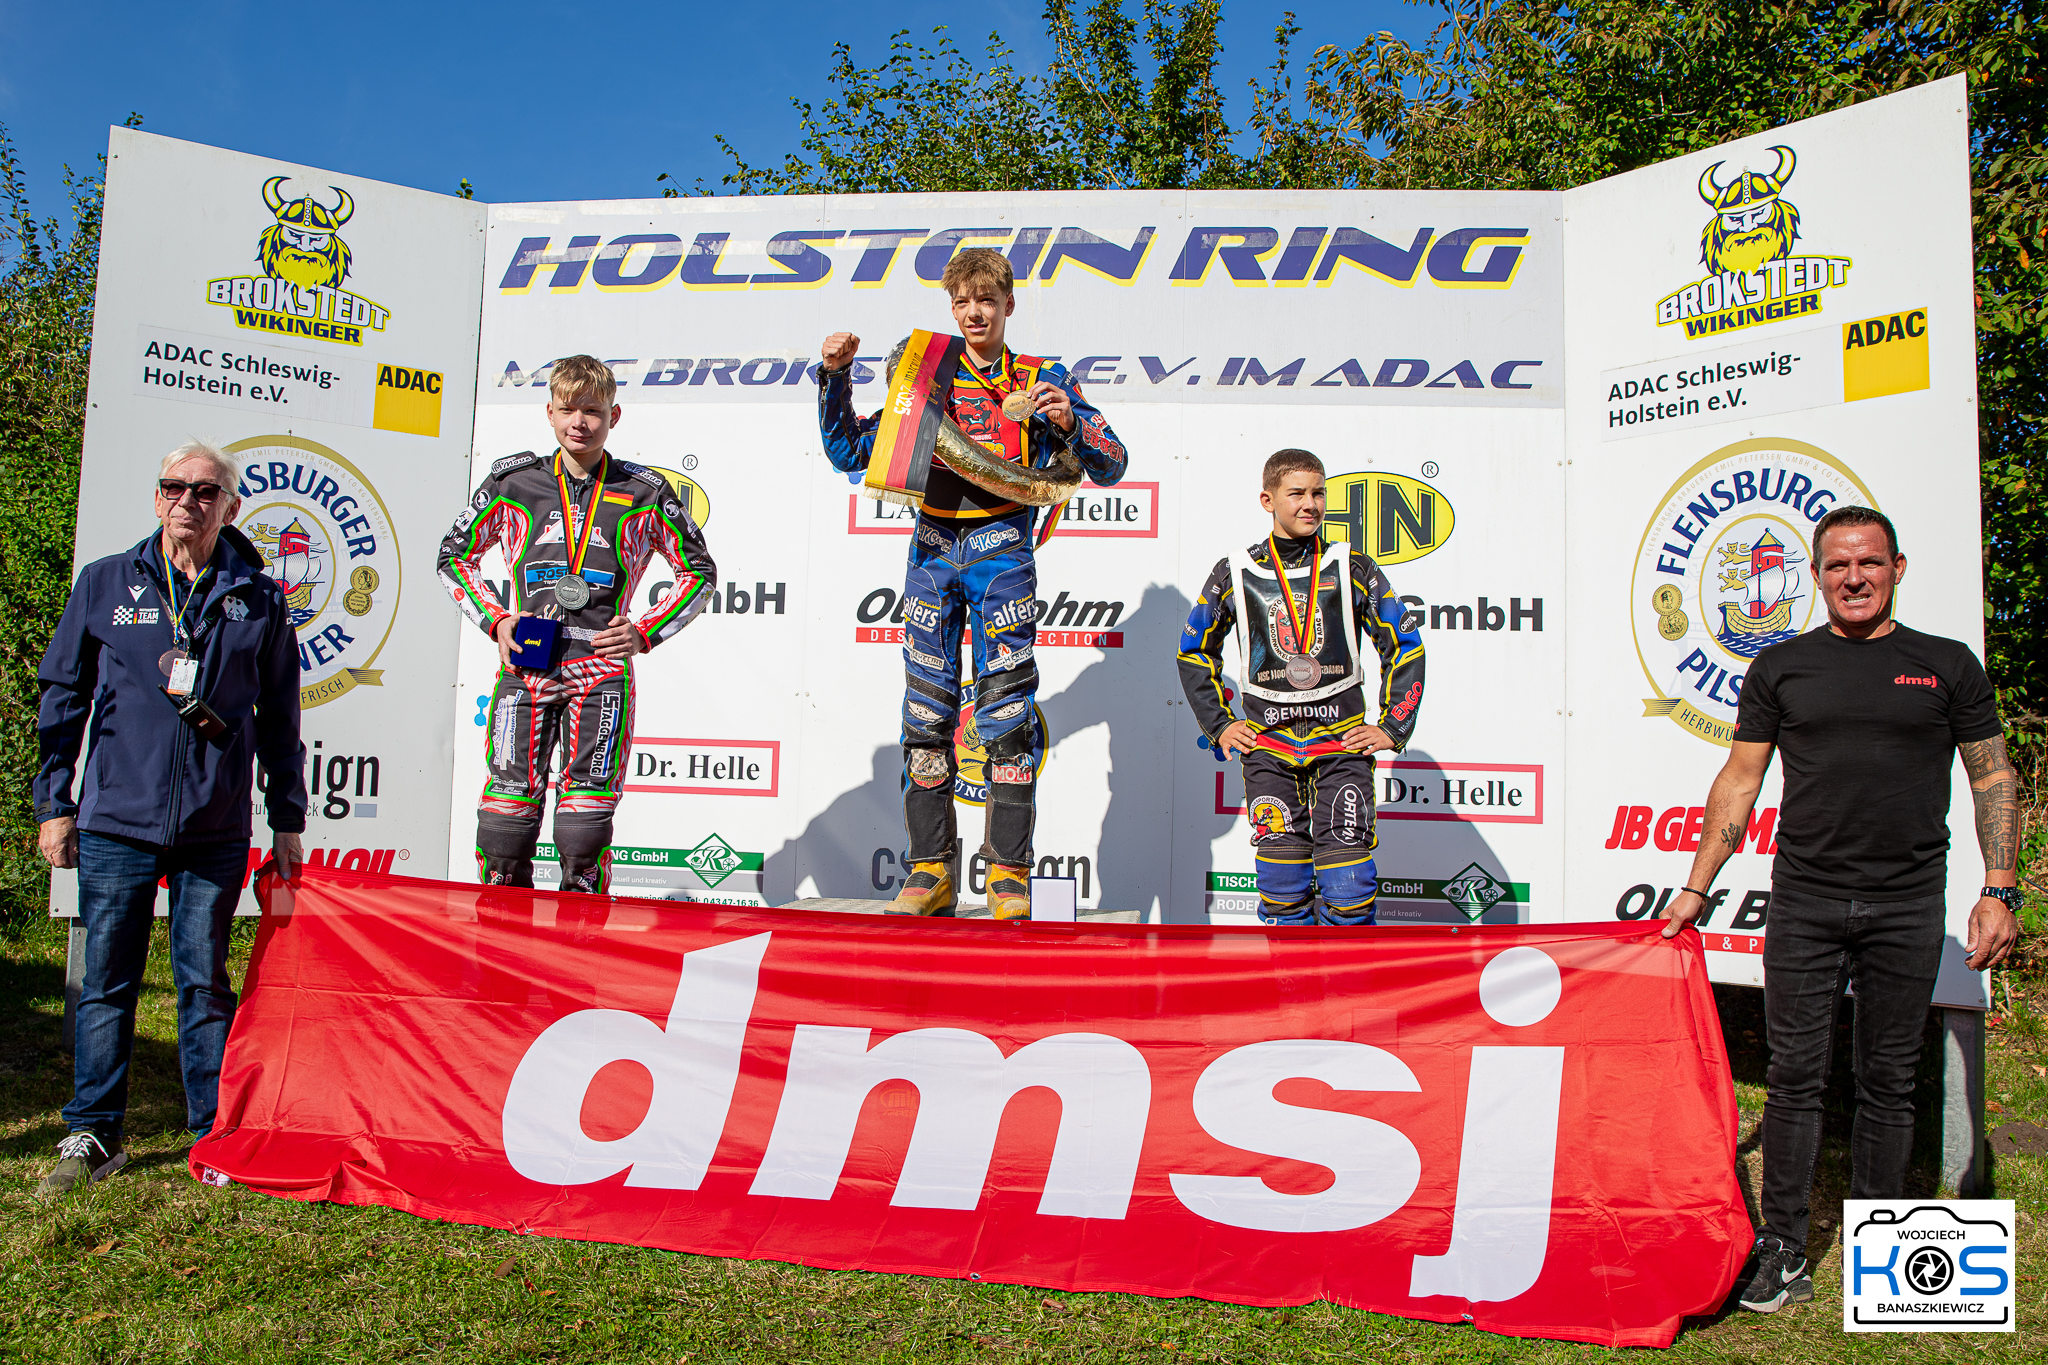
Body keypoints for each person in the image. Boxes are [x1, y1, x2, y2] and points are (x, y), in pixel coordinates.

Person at [1661, 505, 2019, 1313]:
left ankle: (1882, 1252)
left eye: (1869, 562)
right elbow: (1740, 781)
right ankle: (1783, 1249)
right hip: (1806, 901)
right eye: (1837, 565)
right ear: (1817, 575)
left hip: (1908, 904)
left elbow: (1993, 776)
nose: (1854, 578)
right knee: (1793, 1079)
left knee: (1888, 1082)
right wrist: (1697, 884)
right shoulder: (1782, 666)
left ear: (1897, 567)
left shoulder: (1946, 663)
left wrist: (1999, 888)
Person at [817, 248, 1128, 920]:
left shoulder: (1043, 376)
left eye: (986, 300)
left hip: (1002, 551)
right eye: (962, 302)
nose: (974, 313)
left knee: (1007, 715)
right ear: (951, 308)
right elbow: (848, 452)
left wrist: (1068, 422)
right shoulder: (925, 373)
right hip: (932, 551)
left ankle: (1009, 874)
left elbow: (1112, 463)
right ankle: (930, 870)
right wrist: (834, 378)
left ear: (1009, 304)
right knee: (926, 712)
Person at [33, 441, 307, 1196]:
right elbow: (63, 695)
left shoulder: (260, 598)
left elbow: (281, 715)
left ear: (231, 507)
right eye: (174, 488)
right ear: (157, 499)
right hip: (116, 819)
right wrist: (55, 803)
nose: (188, 500)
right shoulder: (105, 582)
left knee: (203, 983)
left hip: (213, 826)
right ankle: (94, 1130)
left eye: (205, 491)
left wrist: (287, 817)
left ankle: (212, 1132)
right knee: (106, 980)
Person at [437, 355, 715, 893]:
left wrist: (645, 631)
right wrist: (496, 620)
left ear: (614, 415)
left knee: (583, 831)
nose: (579, 422)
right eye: (568, 410)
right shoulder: (512, 482)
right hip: (527, 663)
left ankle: (580, 941)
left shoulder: (646, 491)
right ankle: (501, 939)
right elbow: (453, 557)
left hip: (601, 667)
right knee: (504, 827)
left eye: (593, 411)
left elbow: (699, 571)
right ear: (549, 412)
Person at [1178, 449, 1426, 924]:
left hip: (1341, 744)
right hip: (1268, 748)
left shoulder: (1351, 566)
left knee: (1349, 889)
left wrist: (1393, 725)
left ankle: (1348, 975)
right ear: (1268, 500)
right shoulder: (1234, 570)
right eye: (1297, 493)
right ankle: (1291, 975)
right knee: (1282, 887)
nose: (1310, 504)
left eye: (1318, 493)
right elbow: (1194, 652)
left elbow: (1405, 644)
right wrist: (1220, 725)